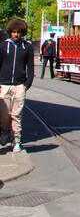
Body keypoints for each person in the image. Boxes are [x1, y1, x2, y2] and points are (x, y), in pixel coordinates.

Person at [0, 19, 36, 154]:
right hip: (3, 85)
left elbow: (30, 67)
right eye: (14, 32)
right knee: (3, 113)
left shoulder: (27, 47)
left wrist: (27, 85)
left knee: (17, 114)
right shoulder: (3, 46)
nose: (16, 35)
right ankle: (5, 130)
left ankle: (16, 140)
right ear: (10, 32)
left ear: (22, 33)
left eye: (19, 32)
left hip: (19, 85)